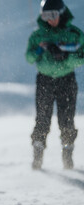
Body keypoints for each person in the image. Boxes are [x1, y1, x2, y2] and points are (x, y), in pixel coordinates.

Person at [26, 0, 84, 170]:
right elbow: (29, 58)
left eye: (53, 15)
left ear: (61, 13)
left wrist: (66, 56)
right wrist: (40, 49)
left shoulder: (73, 33)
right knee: (42, 119)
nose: (49, 20)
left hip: (67, 80)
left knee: (66, 120)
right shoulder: (38, 35)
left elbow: (82, 55)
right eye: (45, 15)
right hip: (45, 81)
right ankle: (38, 156)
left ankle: (67, 155)